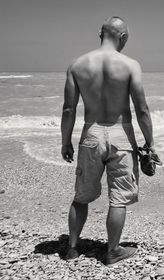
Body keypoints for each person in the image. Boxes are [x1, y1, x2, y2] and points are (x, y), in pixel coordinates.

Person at [60, 16, 154, 266]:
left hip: (90, 134)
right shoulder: (130, 65)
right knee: (119, 198)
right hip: (120, 134)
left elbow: (69, 109)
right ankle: (112, 251)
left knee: (81, 196)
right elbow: (142, 109)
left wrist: (65, 141)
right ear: (122, 37)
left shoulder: (77, 65)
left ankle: (71, 248)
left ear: (99, 34)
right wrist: (150, 142)